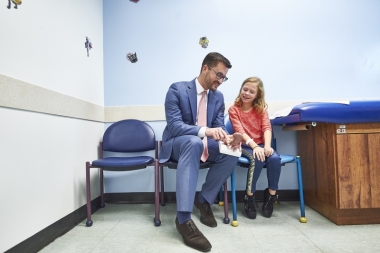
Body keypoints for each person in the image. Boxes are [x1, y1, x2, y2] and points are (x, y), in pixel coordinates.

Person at [159, 52, 241, 252]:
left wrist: (227, 138)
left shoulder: (218, 97)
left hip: (203, 142)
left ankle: (203, 200)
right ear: (205, 68)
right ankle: (184, 219)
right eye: (219, 75)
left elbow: (218, 127)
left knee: (232, 151)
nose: (221, 81)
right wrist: (205, 132)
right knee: (193, 143)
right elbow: (176, 126)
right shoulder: (176, 89)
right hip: (178, 144)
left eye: (224, 77)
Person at [228, 77, 281, 220]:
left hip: (262, 145)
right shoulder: (234, 110)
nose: (246, 93)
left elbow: (267, 128)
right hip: (244, 145)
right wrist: (256, 147)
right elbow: (240, 131)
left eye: (251, 91)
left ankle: (271, 196)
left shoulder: (261, 109)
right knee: (257, 159)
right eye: (245, 89)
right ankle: (249, 196)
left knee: (275, 159)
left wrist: (268, 146)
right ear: (241, 89)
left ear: (257, 95)